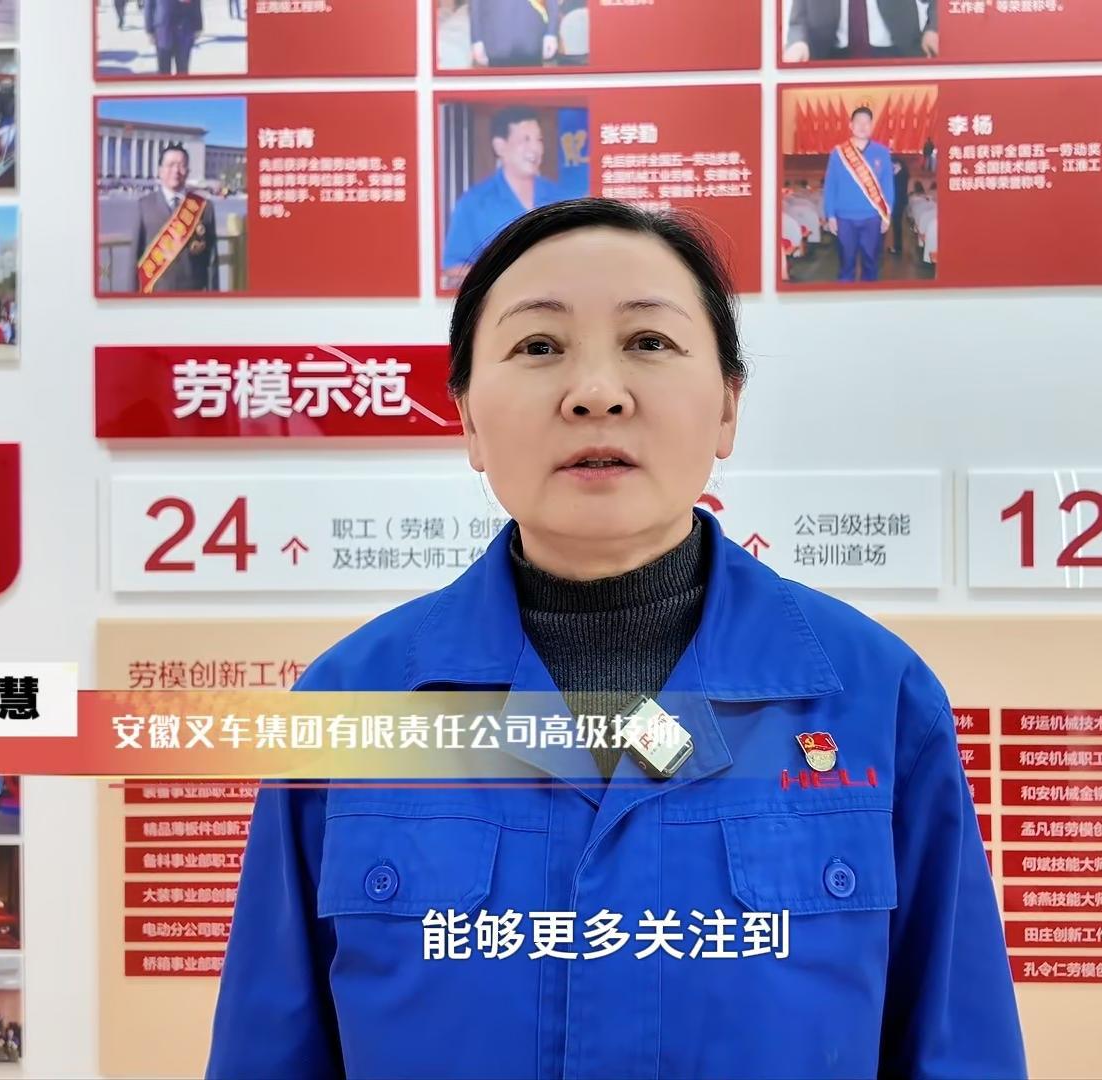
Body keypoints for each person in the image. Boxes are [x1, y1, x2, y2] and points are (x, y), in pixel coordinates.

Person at [203, 198, 1026, 1078]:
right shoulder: (350, 705)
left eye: (649, 341)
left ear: (727, 408)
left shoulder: (873, 699)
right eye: (539, 347)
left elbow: (958, 1053)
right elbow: (268, 1054)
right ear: (469, 419)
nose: (596, 391)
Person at [441, 108, 561, 281]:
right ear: (500, 146)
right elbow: (453, 267)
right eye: (525, 139)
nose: (535, 148)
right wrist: (503, 275)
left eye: (539, 140)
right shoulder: (473, 203)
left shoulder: (561, 198)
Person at [132, 144, 219, 292]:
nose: (176, 170)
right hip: (155, 293)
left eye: (181, 165)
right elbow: (135, 257)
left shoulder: (204, 207)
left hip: (193, 293)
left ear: (188, 171)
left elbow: (212, 259)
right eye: (170, 165)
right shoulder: (144, 206)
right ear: (160, 171)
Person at [822, 105, 895, 282]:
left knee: (871, 265)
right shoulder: (838, 153)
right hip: (844, 219)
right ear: (851, 125)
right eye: (858, 122)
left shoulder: (882, 152)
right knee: (846, 266)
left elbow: (888, 186)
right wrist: (830, 215)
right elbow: (830, 186)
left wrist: (887, 215)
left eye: (867, 122)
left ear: (872, 126)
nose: (863, 126)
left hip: (872, 218)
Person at [784, 0, 938, 62]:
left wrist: (933, 28)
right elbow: (798, 20)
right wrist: (798, 42)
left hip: (898, 53)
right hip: (831, 56)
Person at [469, 0, 560, 67]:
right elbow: (475, 4)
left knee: (530, 86)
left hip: (532, 37)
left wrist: (551, 33)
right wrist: (476, 39)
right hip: (496, 39)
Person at [145, 0, 203, 76]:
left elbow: (196, 4)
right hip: (163, 30)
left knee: (182, 70)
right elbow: (149, 6)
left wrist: (198, 26)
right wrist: (149, 30)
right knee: (163, 70)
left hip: (184, 30)